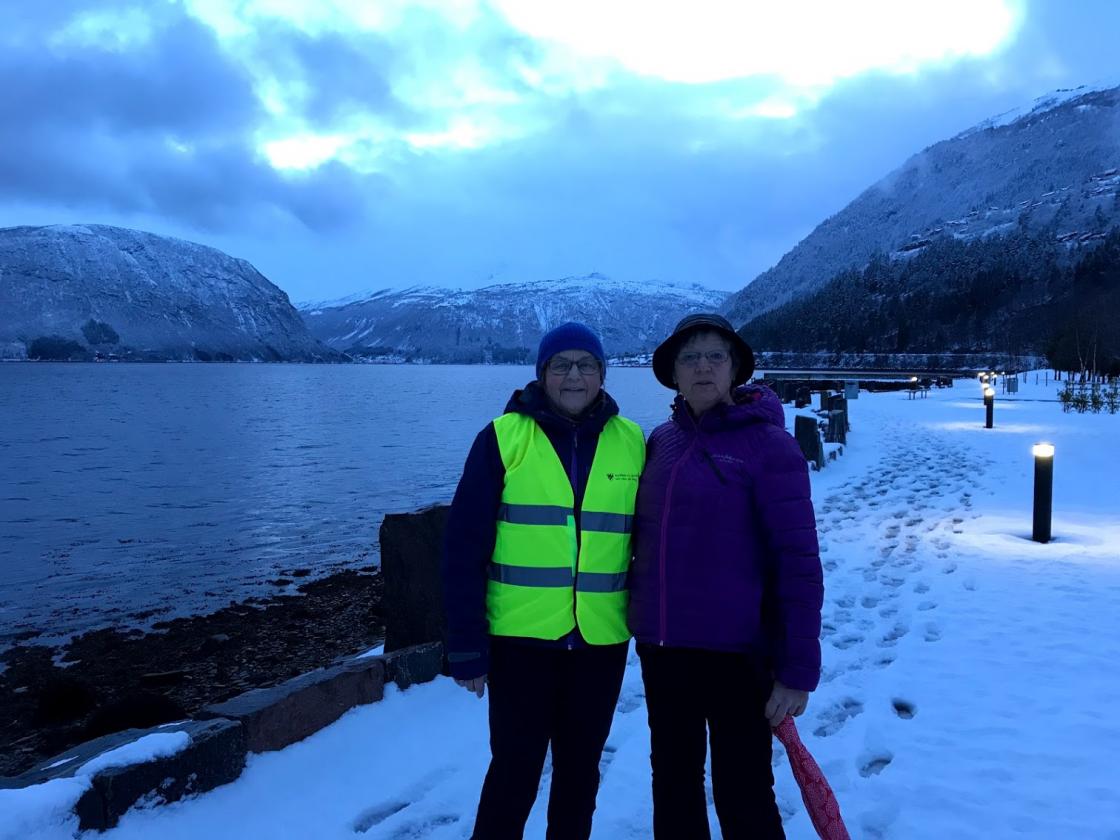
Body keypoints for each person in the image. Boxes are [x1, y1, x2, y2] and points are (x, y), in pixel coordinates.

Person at [442, 322, 646, 840]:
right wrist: (467, 648)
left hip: (600, 643)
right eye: (561, 365)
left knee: (580, 775)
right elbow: (462, 549)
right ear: (542, 374)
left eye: (586, 365)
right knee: (514, 773)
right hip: (520, 643)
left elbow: (652, 540)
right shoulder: (502, 438)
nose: (574, 375)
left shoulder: (633, 442)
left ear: (603, 374)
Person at [628, 313, 824, 840]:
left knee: (743, 793)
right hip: (664, 649)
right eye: (689, 357)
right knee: (672, 784)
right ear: (673, 372)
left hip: (738, 655)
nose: (703, 367)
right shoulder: (660, 442)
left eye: (716, 355)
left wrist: (797, 669)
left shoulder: (769, 446)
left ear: (735, 367)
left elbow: (799, 563)